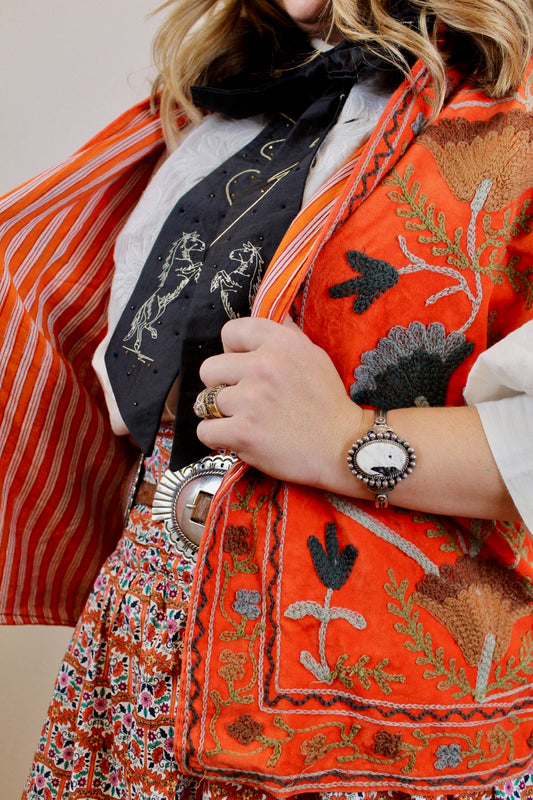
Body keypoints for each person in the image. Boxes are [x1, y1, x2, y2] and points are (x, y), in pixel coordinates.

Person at [1, 0, 532, 799]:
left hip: (367, 703)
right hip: (147, 649)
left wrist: (344, 437)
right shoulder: (208, 110)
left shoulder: (511, 125)